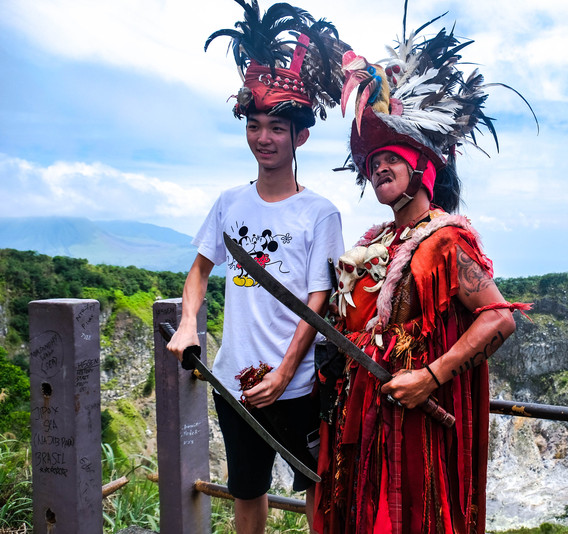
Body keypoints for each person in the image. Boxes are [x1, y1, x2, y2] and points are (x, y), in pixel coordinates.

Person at [313, 10, 534, 534]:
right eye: (372, 163)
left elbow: (499, 319)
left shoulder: (444, 240)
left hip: (415, 425)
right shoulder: (375, 243)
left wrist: (431, 375)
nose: (378, 167)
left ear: (423, 167)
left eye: (391, 157)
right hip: (363, 416)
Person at [166, 2, 347, 533]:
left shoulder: (321, 214)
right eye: (255, 125)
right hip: (235, 378)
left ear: (300, 138)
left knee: (316, 488)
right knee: (247, 491)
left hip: (298, 386)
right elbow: (199, 270)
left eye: (276, 127)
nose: (263, 137)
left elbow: (317, 302)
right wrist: (185, 323)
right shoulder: (229, 203)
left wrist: (285, 372)